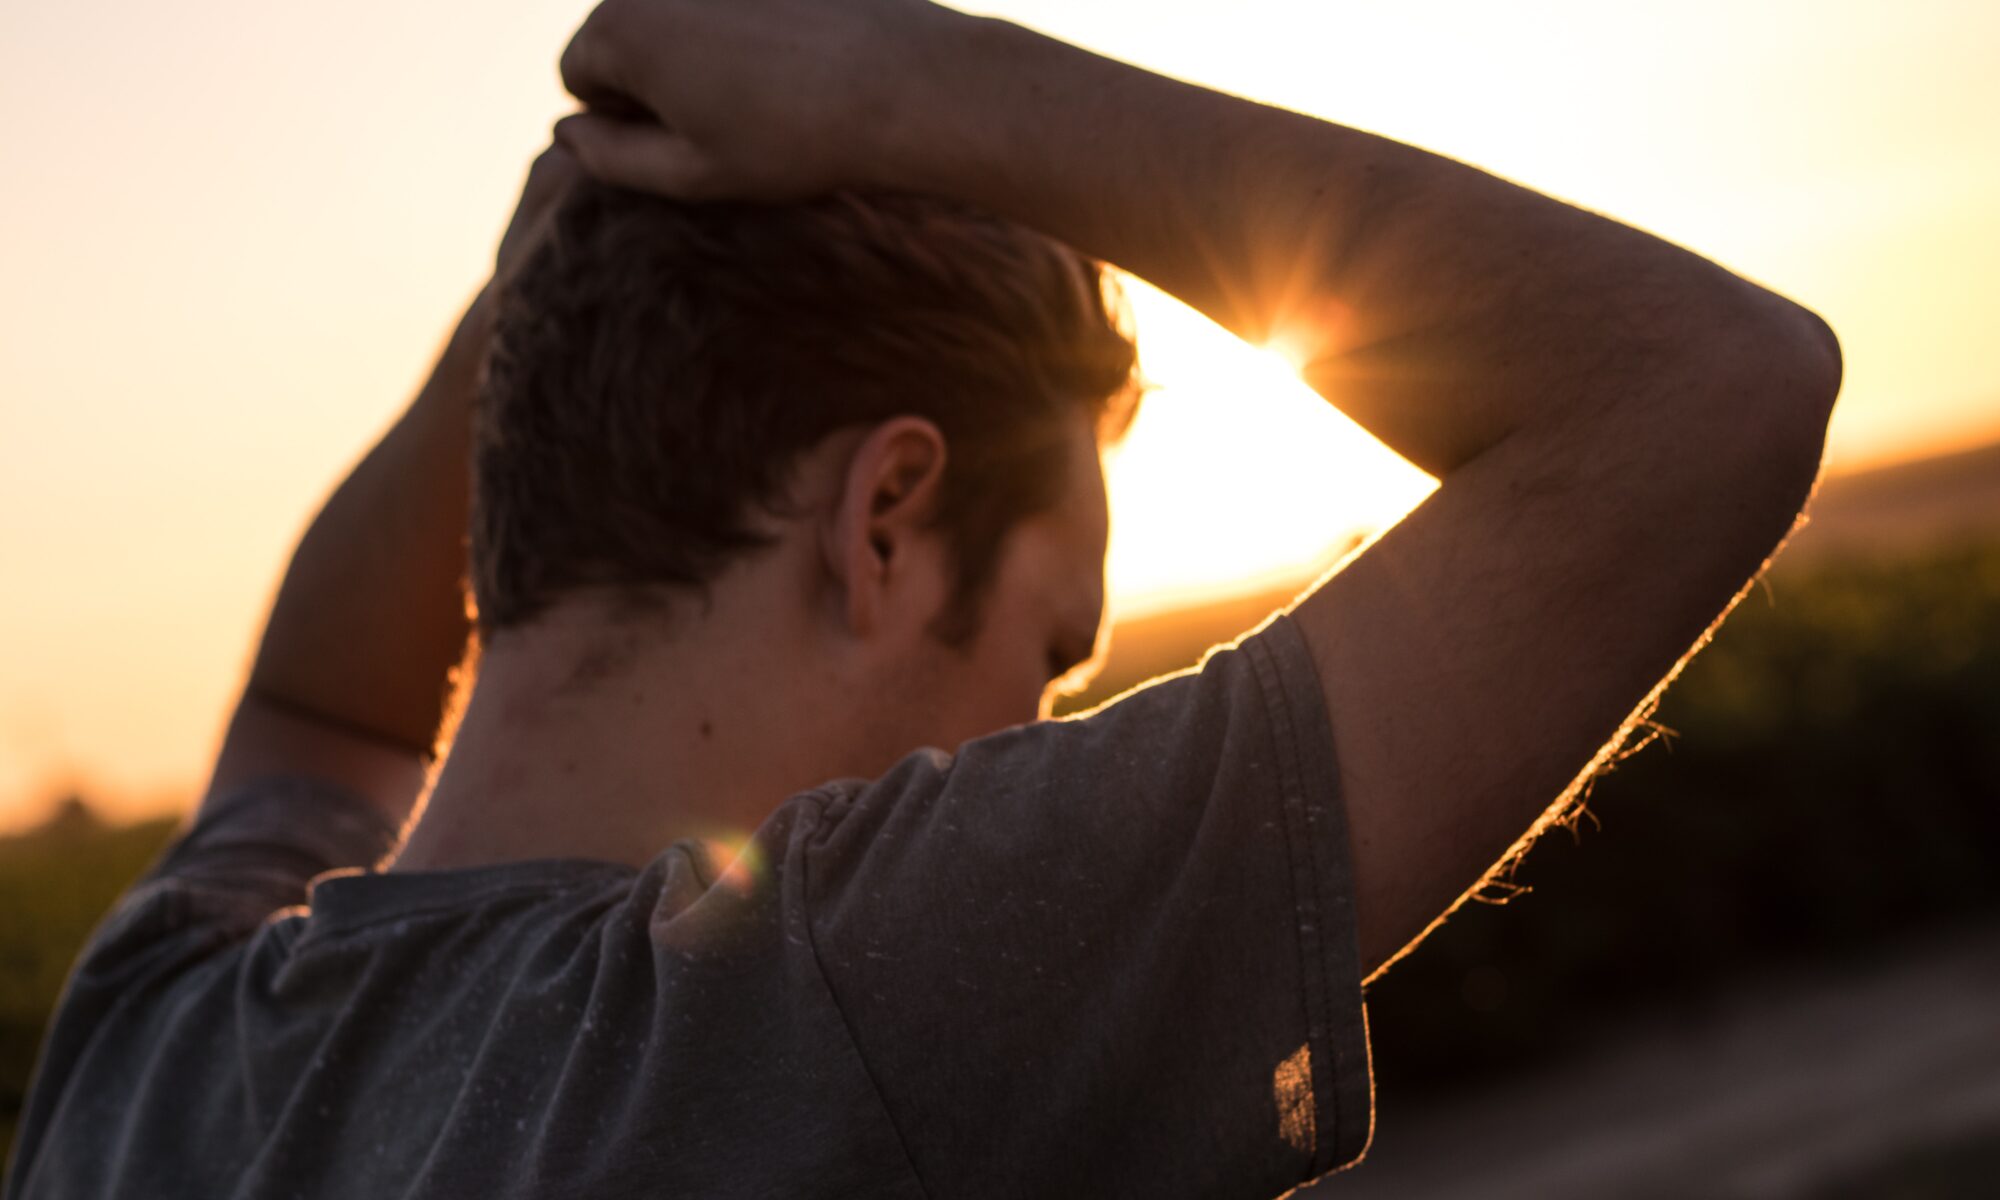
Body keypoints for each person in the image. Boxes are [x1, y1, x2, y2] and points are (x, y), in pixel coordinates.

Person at [5, 1, 1842, 1197]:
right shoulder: (833, 1011)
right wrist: (888, 80)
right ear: (885, 518)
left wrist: (561, 253)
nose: (1034, 743)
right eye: (1049, 657)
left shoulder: (153, 1038)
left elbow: (319, 715)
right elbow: (1704, 392)